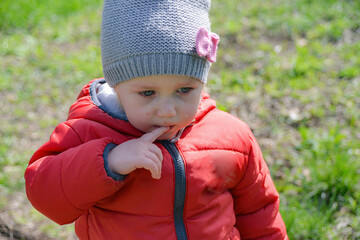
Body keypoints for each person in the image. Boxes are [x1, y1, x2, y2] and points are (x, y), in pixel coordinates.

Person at [25, 0, 288, 239]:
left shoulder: (230, 137)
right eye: (147, 93)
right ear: (117, 87)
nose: (167, 111)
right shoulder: (88, 130)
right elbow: (44, 194)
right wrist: (109, 161)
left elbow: (260, 214)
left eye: (184, 90)